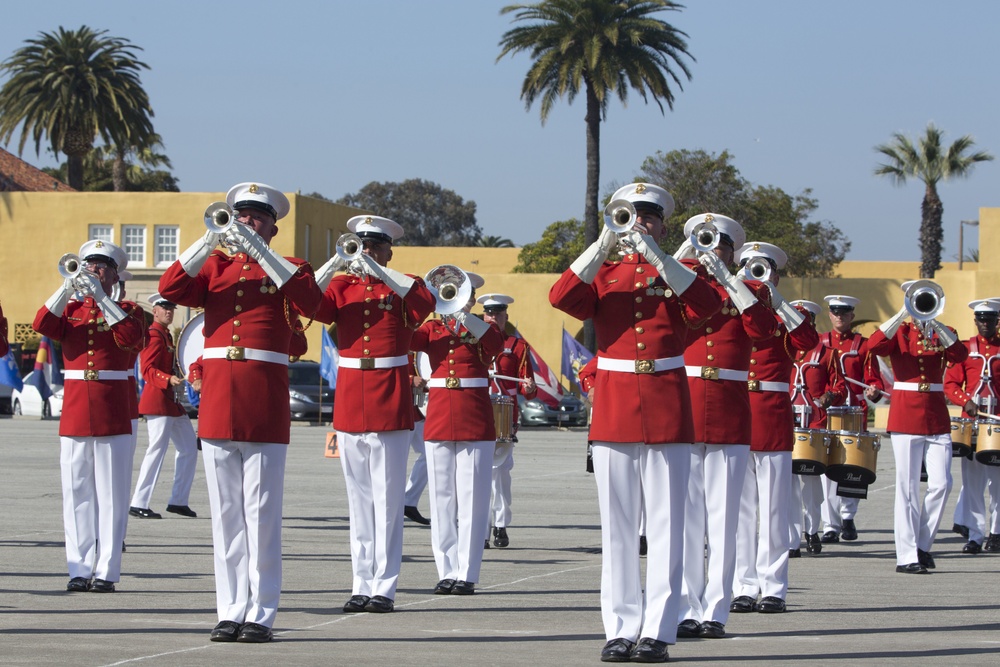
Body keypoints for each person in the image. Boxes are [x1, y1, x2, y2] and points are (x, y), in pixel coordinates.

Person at [551, 182, 722, 663]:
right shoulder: (602, 271)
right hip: (614, 405)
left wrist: (659, 257)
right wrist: (602, 244)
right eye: (632, 216)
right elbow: (561, 296)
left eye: (649, 217)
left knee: (668, 525)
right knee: (619, 528)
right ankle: (620, 628)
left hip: (667, 402)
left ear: (664, 225)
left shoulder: (681, 270)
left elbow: (707, 308)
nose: (640, 224)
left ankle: (659, 629)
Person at [159, 182, 323, 642]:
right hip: (217, 398)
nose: (247, 222)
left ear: (273, 225)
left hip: (263, 399)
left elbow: (314, 305)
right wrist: (209, 240)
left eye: (256, 216)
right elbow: (170, 287)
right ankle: (230, 609)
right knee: (227, 513)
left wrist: (259, 253)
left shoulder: (290, 267)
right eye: (241, 215)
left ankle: (261, 611)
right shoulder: (214, 266)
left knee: (262, 511)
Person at [313, 215, 435, 614]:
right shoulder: (342, 285)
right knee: (358, 500)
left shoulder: (403, 285)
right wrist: (335, 263)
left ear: (388, 251)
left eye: (374, 246)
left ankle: (384, 585)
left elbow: (424, 304)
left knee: (387, 499)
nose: (365, 251)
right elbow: (306, 303)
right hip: (351, 397)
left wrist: (382, 272)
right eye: (360, 245)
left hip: (388, 396)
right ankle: (360, 582)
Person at [674, 214, 777, 640]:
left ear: (733, 252)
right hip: (687, 409)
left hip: (731, 414)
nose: (711, 251)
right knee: (684, 520)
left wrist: (729, 280)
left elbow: (765, 330)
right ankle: (684, 606)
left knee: (724, 519)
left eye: (719, 245)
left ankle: (716, 609)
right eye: (705, 243)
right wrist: (681, 258)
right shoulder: (681, 283)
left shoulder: (751, 290)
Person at [33, 240, 146, 593]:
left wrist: (101, 298)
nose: (94, 271)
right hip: (77, 409)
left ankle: (107, 571)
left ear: (114, 274)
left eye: (101, 266)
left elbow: (131, 338)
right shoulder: (69, 311)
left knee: (112, 495)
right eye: (89, 265)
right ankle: (78, 568)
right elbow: (42, 323)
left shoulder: (128, 309)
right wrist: (67, 286)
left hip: (113, 408)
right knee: (76, 490)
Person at [731, 241, 819, 615]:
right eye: (749, 267)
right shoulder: (730, 307)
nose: (755, 274)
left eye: (762, 269)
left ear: (776, 274)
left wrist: (775, 297)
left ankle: (774, 588)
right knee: (740, 510)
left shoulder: (789, 314)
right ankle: (742, 586)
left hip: (771, 414)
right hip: (736, 413)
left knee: (774, 510)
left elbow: (807, 341)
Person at [868, 280, 968, 574]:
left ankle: (922, 544)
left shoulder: (943, 332)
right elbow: (873, 346)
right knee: (908, 488)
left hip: (936, 413)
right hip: (905, 413)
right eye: (918, 301)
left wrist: (934, 321)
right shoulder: (899, 332)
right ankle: (907, 555)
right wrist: (902, 313)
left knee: (942, 483)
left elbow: (960, 355)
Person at [412, 274, 502, 595]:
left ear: (471, 298)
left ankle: (468, 572)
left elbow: (496, 346)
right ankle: (446, 570)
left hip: (474, 416)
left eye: (461, 293)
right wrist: (423, 303)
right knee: (441, 499)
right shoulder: (431, 328)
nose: (453, 298)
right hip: (439, 415)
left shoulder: (483, 328)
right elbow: (405, 338)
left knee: (473, 498)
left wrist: (462, 316)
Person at [818, 295, 885, 543]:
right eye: (835, 312)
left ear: (852, 316)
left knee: (853, 464)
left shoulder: (864, 345)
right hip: (828, 412)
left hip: (855, 411)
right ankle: (829, 525)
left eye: (844, 313)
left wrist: (874, 390)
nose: (839, 316)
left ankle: (848, 516)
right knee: (828, 467)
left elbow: (874, 378)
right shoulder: (820, 343)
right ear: (829, 314)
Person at [129, 293, 200, 520]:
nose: (169, 311)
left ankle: (178, 500)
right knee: (156, 450)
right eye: (164, 308)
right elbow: (147, 369)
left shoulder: (165, 336)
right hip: (157, 399)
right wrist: (166, 378)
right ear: (155, 311)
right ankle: (139, 502)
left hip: (170, 401)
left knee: (189, 447)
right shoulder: (153, 335)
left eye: (171, 308)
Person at [787, 300, 846, 556]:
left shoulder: (827, 353)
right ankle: (790, 538)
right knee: (786, 483)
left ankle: (812, 530)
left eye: (805, 320)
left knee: (811, 482)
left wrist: (829, 397)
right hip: (785, 420)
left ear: (811, 323)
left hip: (814, 423)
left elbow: (840, 386)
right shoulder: (783, 348)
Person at [479, 293, 537, 549]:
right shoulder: (474, 341)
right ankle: (480, 529)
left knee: (500, 473)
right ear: (483, 316)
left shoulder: (517, 346)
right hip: (477, 411)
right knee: (476, 474)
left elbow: (528, 389)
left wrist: (529, 386)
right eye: (489, 314)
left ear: (505, 317)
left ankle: (500, 524)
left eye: (498, 314)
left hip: (504, 415)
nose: (493, 318)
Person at [944, 299, 1000, 554]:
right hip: (972, 425)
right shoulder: (965, 349)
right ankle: (976, 535)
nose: (985, 323)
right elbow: (951, 384)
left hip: (997, 425)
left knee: (998, 483)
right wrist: (965, 401)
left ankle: (997, 533)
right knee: (973, 482)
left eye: (990, 319)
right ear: (975, 321)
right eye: (981, 319)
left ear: (997, 321)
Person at [404, 352, 431, 526]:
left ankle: (408, 501)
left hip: (417, 410)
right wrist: (410, 379)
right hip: (398, 412)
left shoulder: (419, 347)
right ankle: (389, 506)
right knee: (394, 464)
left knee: (430, 454)